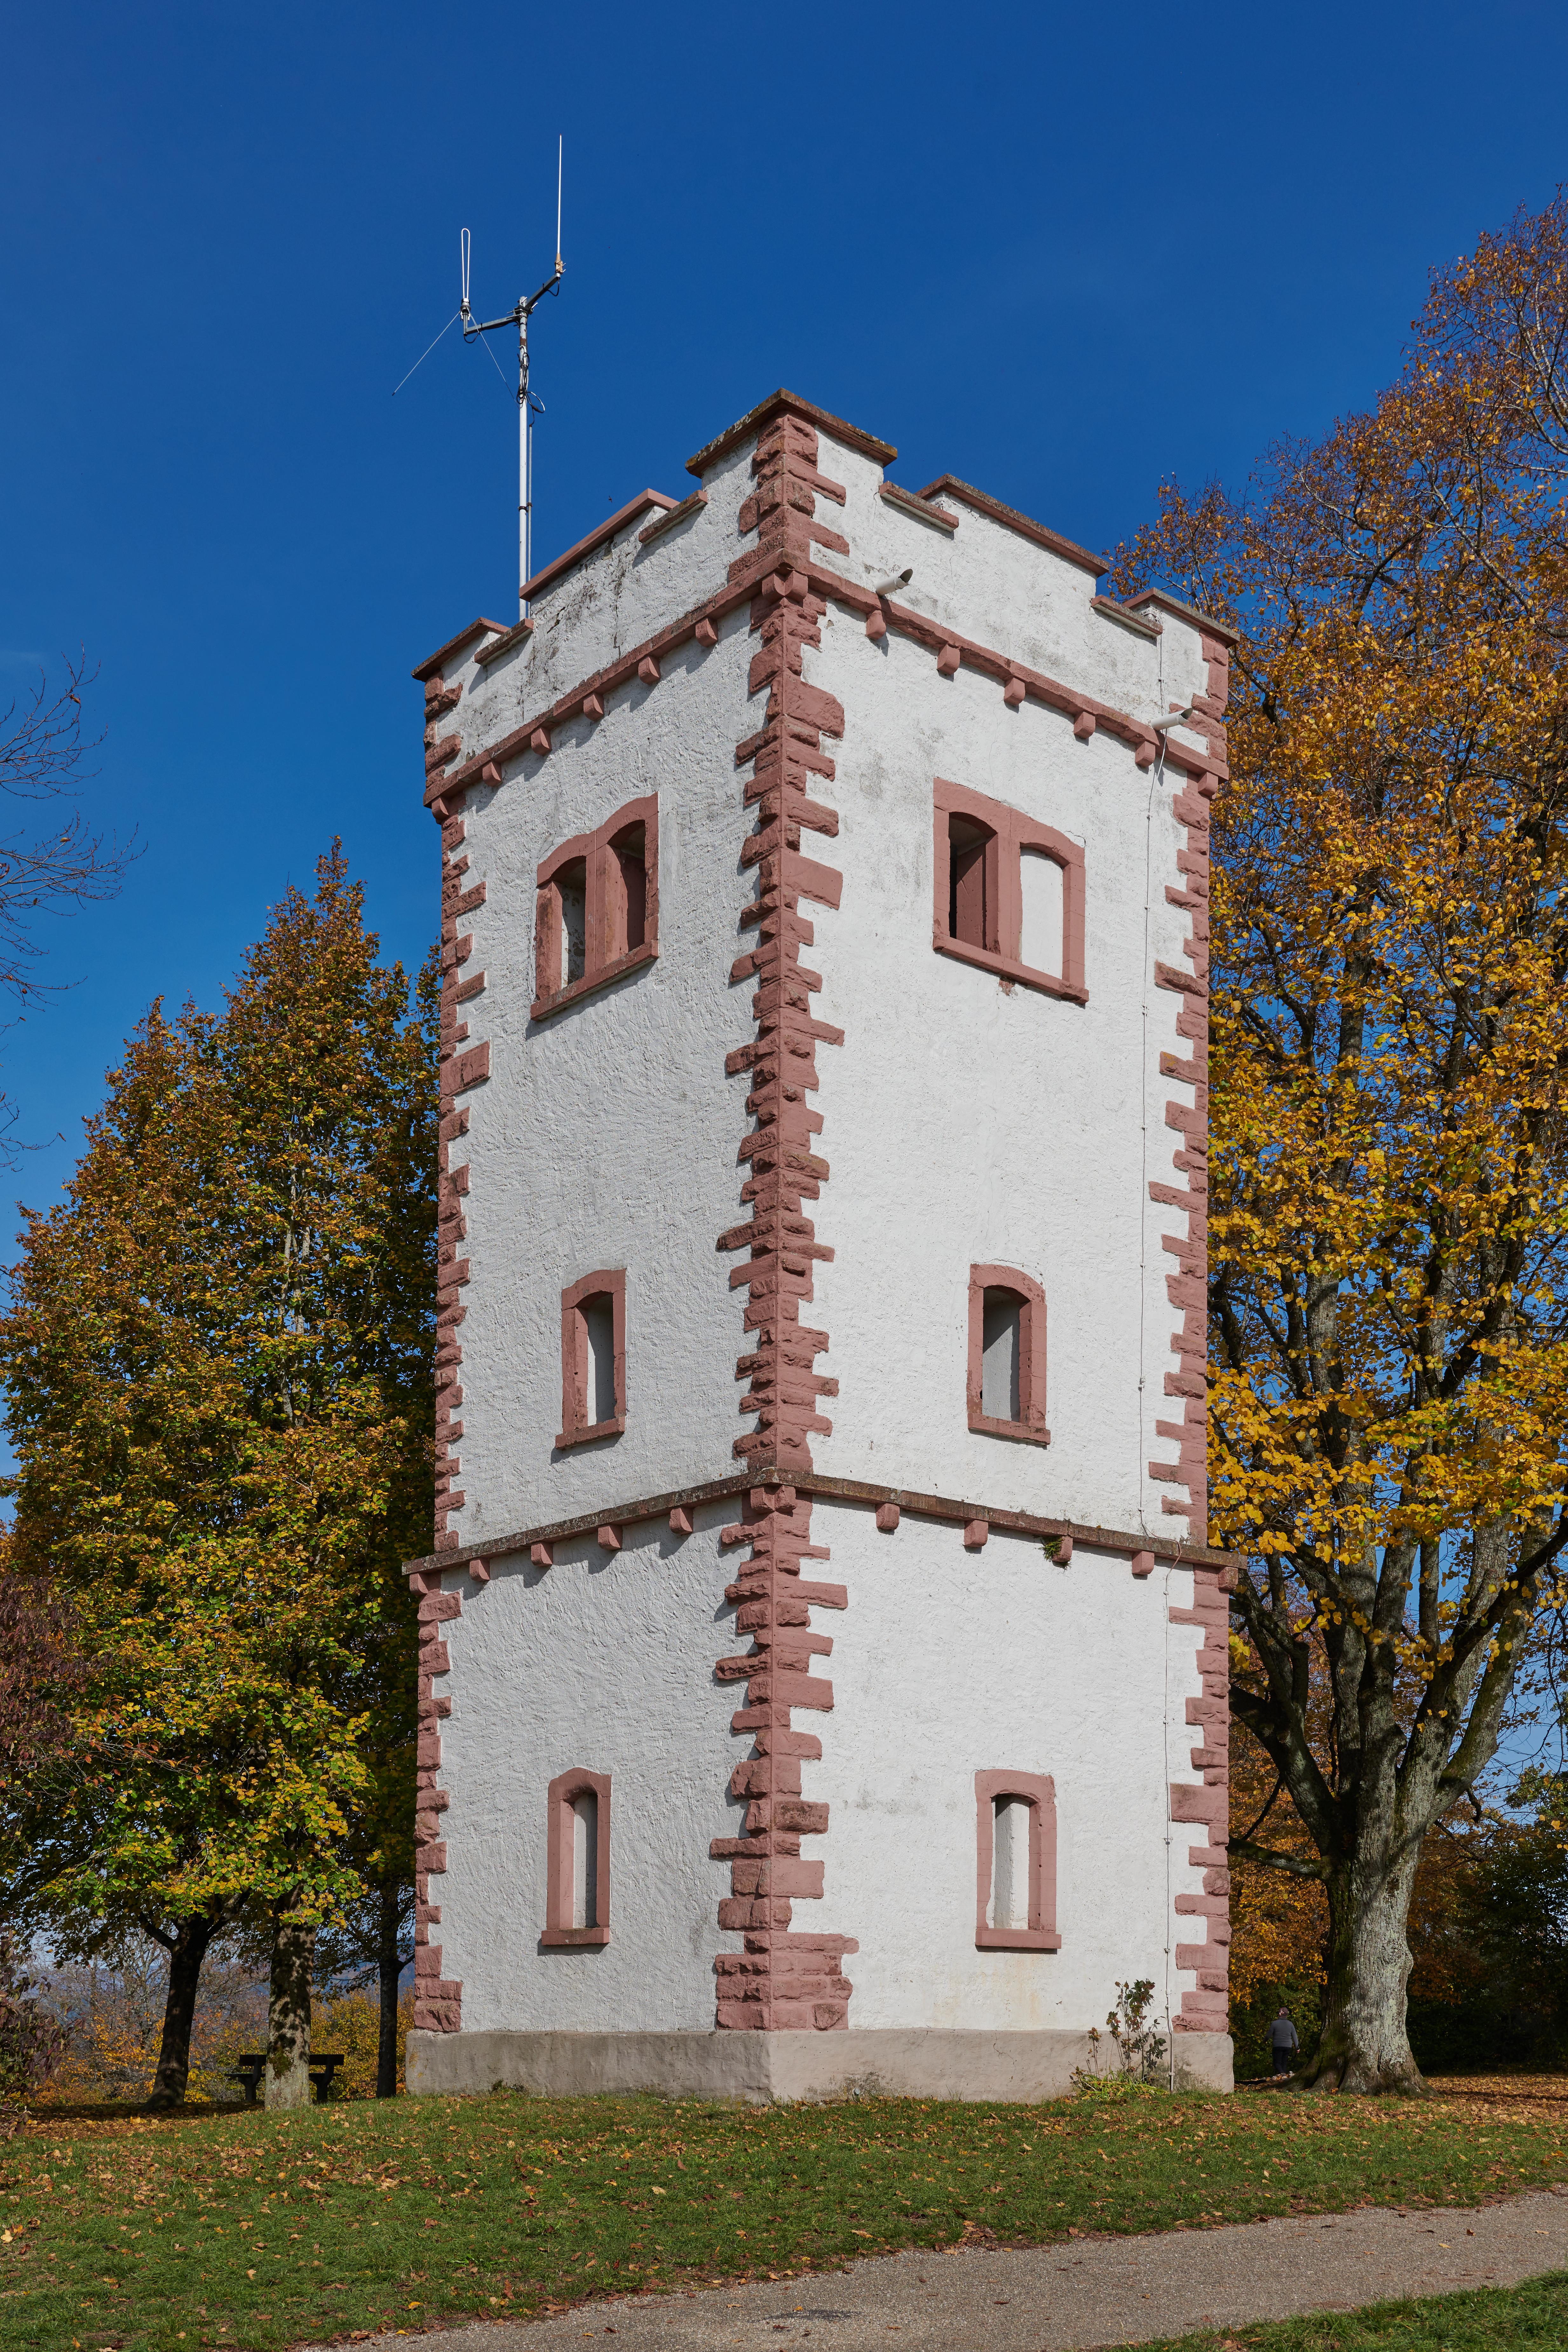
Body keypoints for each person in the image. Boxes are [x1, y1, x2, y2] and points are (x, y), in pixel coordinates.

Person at [1270, 2006, 1299, 2076]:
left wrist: (1264, 2041)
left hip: (1278, 2045)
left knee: (1277, 2063)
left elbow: (1269, 2035)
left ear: (1280, 2014)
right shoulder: (1291, 2024)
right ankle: (1284, 2077)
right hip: (1288, 2046)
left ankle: (1282, 2073)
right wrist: (1297, 2047)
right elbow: (1295, 2036)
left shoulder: (1274, 2024)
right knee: (1285, 2062)